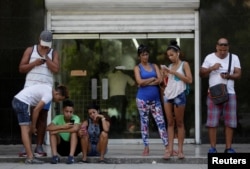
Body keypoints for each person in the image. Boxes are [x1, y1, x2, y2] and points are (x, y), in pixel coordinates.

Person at [18, 30, 60, 157]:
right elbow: (21, 68)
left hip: (45, 91)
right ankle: (27, 146)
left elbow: (56, 69)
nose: (44, 47)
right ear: (39, 39)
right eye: (43, 44)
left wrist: (46, 58)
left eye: (47, 44)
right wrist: (34, 63)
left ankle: (39, 146)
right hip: (30, 90)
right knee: (28, 119)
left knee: (42, 118)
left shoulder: (53, 53)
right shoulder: (30, 50)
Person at [200, 38, 241, 153]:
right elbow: (201, 73)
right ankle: (213, 148)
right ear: (216, 47)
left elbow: (238, 74)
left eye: (225, 49)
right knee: (212, 122)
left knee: (230, 122)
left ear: (228, 47)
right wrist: (212, 68)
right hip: (214, 94)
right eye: (221, 48)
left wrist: (229, 76)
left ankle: (228, 148)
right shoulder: (209, 57)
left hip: (230, 93)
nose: (223, 51)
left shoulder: (234, 57)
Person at [12, 84, 68, 164]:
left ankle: (30, 155)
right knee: (26, 130)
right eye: (59, 99)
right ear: (56, 93)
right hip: (22, 102)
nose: (58, 101)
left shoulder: (48, 89)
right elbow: (36, 110)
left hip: (17, 101)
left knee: (26, 129)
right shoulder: (48, 95)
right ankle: (30, 158)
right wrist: (34, 126)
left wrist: (32, 125)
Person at [134, 44, 168, 158]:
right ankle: (146, 147)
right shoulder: (137, 68)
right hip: (142, 99)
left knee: (161, 122)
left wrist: (148, 81)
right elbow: (139, 82)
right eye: (143, 54)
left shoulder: (154, 66)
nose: (145, 56)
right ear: (139, 56)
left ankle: (167, 147)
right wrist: (151, 79)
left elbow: (160, 80)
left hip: (156, 99)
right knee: (144, 123)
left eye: (147, 54)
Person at [162, 40, 193, 159]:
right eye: (168, 55)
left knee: (179, 123)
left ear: (178, 53)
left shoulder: (184, 64)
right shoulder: (169, 66)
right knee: (170, 122)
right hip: (168, 94)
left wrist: (174, 72)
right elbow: (166, 82)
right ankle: (169, 149)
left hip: (179, 95)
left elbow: (189, 80)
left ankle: (180, 150)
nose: (170, 57)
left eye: (172, 55)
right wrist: (164, 74)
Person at [47, 99, 81, 164]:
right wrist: (62, 126)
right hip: (61, 147)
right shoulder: (58, 118)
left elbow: (75, 129)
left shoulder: (74, 118)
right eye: (67, 111)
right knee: (52, 132)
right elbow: (48, 128)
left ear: (73, 111)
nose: (69, 114)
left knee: (74, 133)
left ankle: (71, 157)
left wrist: (58, 130)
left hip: (73, 148)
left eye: (71, 112)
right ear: (63, 110)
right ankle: (55, 156)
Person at [107, 65, 135, 131]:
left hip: (112, 97)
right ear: (123, 70)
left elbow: (104, 75)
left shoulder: (110, 75)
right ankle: (121, 129)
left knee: (112, 114)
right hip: (122, 97)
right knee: (122, 115)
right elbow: (133, 84)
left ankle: (112, 128)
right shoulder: (125, 76)